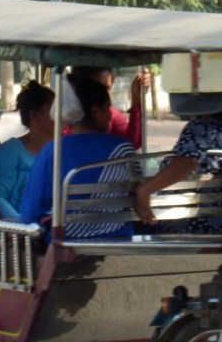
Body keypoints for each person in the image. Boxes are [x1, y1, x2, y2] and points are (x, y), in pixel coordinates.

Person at [19, 74, 136, 242]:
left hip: (65, 242)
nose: (111, 116)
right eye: (108, 109)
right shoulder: (124, 148)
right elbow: (134, 191)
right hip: (120, 237)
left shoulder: (52, 150)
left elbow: (31, 211)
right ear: (95, 111)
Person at [135, 91, 222, 233]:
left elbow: (186, 163)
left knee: (134, 221)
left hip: (186, 223)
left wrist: (143, 191)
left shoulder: (199, 128)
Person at [0, 81, 55, 220]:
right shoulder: (9, 151)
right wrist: (21, 225)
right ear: (34, 116)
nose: (62, 115)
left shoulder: (63, 151)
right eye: (55, 109)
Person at [64, 66, 151, 149]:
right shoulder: (61, 118)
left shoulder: (108, 114)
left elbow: (131, 143)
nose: (105, 94)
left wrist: (136, 100)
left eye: (108, 88)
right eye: (97, 88)